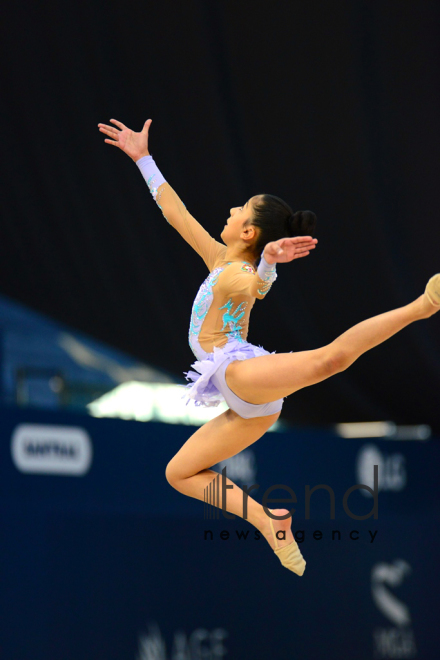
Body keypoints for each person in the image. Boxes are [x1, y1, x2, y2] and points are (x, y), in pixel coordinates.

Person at [98, 117, 440, 577]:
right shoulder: (219, 258)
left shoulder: (239, 274)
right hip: (247, 405)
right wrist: (144, 159)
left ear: (249, 232)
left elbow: (250, 290)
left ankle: (423, 304)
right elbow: (175, 213)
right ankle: (267, 520)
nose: (230, 209)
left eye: (239, 208)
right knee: (179, 473)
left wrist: (267, 268)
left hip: (241, 373)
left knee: (329, 360)